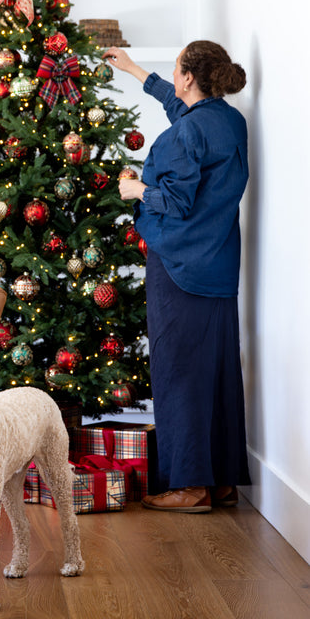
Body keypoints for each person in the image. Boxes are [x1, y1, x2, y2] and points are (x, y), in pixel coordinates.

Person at [103, 41, 251, 512]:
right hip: (220, 265)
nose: (173, 76)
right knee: (220, 371)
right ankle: (222, 479)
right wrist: (135, 71)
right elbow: (184, 110)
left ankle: (190, 486)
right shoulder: (229, 121)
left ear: (189, 76)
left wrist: (136, 189)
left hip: (179, 265)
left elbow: (177, 200)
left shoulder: (182, 137)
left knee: (178, 373)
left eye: (175, 69)